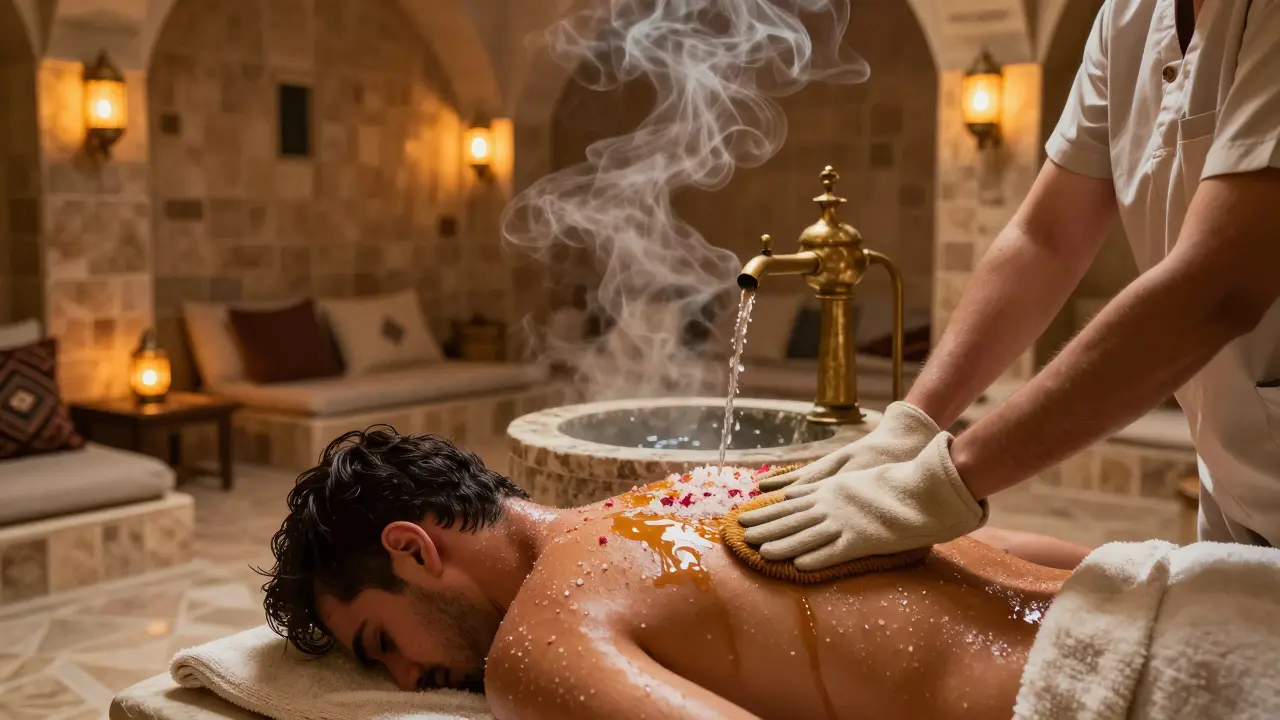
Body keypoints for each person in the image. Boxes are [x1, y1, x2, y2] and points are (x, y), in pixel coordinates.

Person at [738, 0, 1280, 570]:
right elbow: (1045, 239)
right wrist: (913, 424)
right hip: (1236, 501)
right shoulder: (1129, 18)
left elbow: (1214, 291)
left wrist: (946, 480)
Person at [260, 428, 1089, 719]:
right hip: (1134, 594)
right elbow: (1011, 548)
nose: (406, 681)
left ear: (413, 549)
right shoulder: (701, 488)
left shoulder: (541, 641)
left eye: (380, 642)